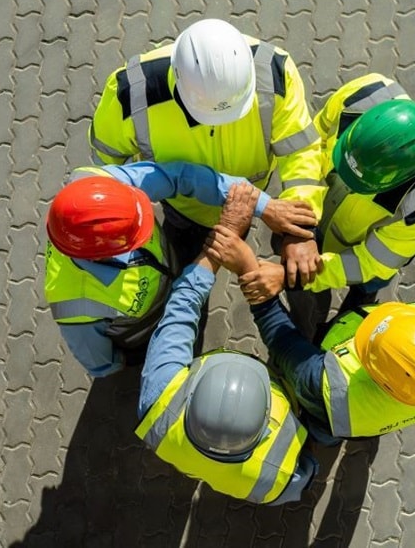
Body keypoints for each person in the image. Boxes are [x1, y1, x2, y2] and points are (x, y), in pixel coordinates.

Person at [206, 227, 415, 445]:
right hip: (380, 409)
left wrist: (249, 270)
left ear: (377, 378)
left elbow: (282, 341)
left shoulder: (331, 392)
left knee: (323, 427)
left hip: (337, 414)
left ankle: (319, 435)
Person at [44, 162, 317, 377]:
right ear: (105, 253)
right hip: (145, 338)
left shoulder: (98, 189)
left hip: (174, 270)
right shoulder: (77, 307)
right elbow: (100, 363)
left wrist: (262, 204)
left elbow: (177, 176)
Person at [90, 18, 324, 267]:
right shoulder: (131, 94)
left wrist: (299, 229)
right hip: (185, 213)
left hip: (250, 206)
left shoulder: (274, 73)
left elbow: (300, 151)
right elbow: (105, 168)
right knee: (184, 271)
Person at [135, 184, 316, 505]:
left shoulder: (160, 403)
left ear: (191, 394)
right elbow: (307, 470)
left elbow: (182, 305)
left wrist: (222, 239)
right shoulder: (279, 477)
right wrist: (234, 251)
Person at [244, 73, 415, 341]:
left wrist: (298, 277)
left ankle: (339, 341)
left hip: (365, 259)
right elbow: (309, 146)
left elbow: (370, 262)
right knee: (307, 305)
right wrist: (301, 229)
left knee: (359, 304)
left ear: (402, 177)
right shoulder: (361, 94)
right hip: (313, 224)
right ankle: (309, 337)